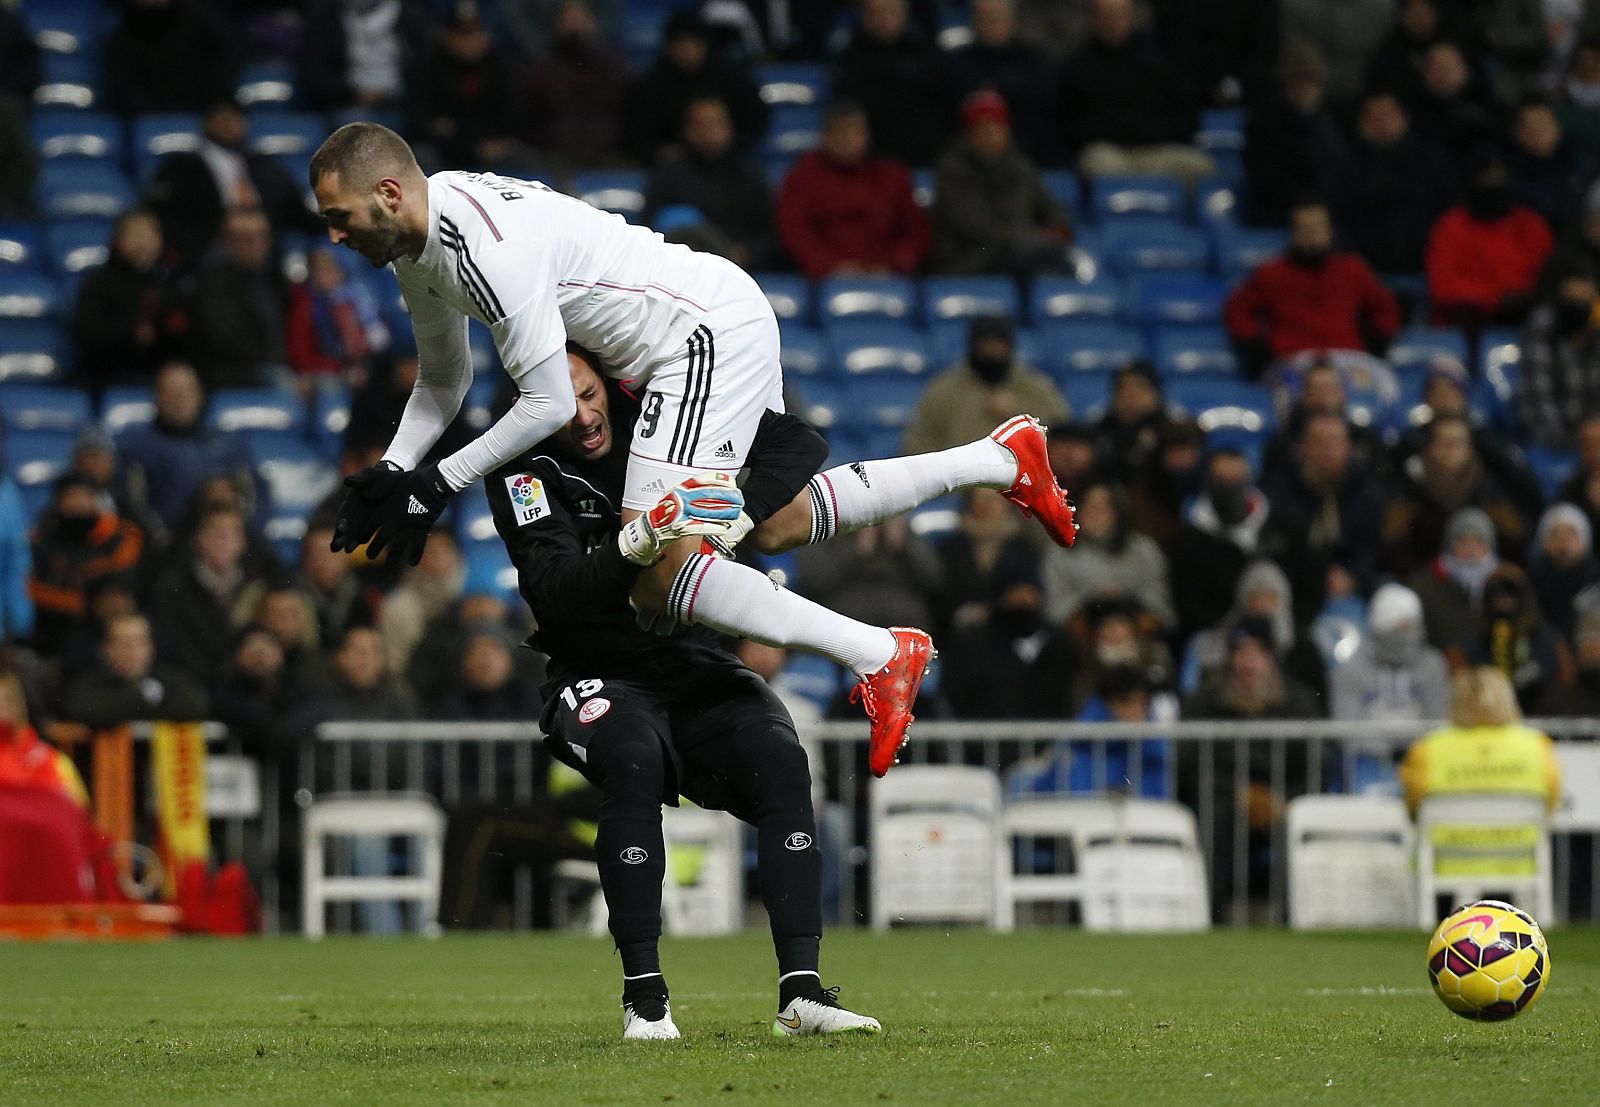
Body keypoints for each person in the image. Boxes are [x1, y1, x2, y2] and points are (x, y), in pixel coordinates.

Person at [308, 125, 1079, 762]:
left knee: (661, 570)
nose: (334, 234)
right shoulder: (421, 245)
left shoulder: (485, 247)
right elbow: (445, 378)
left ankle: (879, 653)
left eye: (339, 215)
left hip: (695, 338)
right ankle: (1002, 458)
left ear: (389, 193)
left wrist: (436, 485)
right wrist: (396, 466)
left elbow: (546, 404)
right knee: (770, 522)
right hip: (702, 325)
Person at [484, 351, 884, 1039]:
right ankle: (645, 1000)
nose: (583, 417)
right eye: (561, 403)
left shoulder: (666, 416)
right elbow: (554, 591)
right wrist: (642, 535)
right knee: (633, 757)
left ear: (609, 382)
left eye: (588, 394)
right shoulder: (521, 465)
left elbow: (801, 441)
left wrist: (742, 514)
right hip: (595, 668)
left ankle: (802, 993)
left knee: (782, 755)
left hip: (691, 657)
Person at [145, 98, 323, 272]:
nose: (229, 124)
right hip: (209, 253)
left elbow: (295, 209)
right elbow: (163, 214)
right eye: (222, 118)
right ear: (207, 122)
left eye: (235, 118)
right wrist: (197, 247)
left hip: (266, 255)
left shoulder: (263, 164)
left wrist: (338, 222)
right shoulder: (183, 165)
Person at [1224, 198, 1400, 373]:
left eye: (1318, 228)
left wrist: (1376, 344)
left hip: (1348, 359)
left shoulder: (1354, 269)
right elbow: (1237, 310)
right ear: (1292, 233)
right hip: (1293, 361)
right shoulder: (1270, 274)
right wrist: (1258, 351)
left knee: (1379, 385)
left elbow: (1385, 308)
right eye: (1304, 229)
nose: (1312, 235)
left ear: (1330, 230)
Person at [1057, 0, 1213, 184]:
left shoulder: (1157, 63)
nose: (1113, 23)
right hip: (1109, 151)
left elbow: (1186, 115)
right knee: (1101, 164)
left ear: (1131, 17)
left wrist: (1154, 132)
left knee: (1199, 166)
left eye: (1119, 15)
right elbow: (1067, 124)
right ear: (1093, 20)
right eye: (1106, 16)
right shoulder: (1076, 68)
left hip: (1157, 149)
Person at [775, 100, 930, 281]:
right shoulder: (803, 175)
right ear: (825, 136)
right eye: (840, 133)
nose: (848, 141)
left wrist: (892, 265)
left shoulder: (892, 174)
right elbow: (794, 231)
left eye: (855, 133)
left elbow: (916, 231)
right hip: (822, 281)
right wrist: (829, 266)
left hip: (889, 277)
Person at [928, 90, 1075, 279]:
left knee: (1056, 260)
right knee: (1037, 258)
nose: (990, 136)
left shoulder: (1021, 166)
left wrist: (1059, 227)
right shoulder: (952, 170)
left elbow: (1049, 207)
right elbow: (979, 229)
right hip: (971, 259)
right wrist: (1037, 238)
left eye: (997, 128)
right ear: (969, 134)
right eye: (982, 129)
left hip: (1023, 249)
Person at [116, 361, 259, 543]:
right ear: (157, 397)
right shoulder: (136, 447)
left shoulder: (229, 444)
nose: (181, 398)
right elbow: (131, 505)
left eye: (187, 390)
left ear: (200, 395)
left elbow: (255, 497)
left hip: (224, 548)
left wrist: (242, 537)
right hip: (162, 549)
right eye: (172, 391)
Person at [1399, 666, 1561, 818]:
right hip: (1520, 843)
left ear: (1455, 700)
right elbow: (1551, 802)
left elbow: (1412, 806)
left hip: (1447, 844)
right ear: (1508, 700)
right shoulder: (1535, 744)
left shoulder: (1427, 748)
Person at [1381, 415, 1529, 578]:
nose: (1450, 449)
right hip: (1422, 577)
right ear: (1429, 446)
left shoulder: (1490, 487)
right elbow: (1395, 545)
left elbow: (1514, 543)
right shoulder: (1409, 485)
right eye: (1443, 442)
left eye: (1457, 442)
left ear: (1469, 449)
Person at [1330, 89, 1456, 277]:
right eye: (1373, 117)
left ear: (1404, 118)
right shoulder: (1346, 167)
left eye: (1388, 115)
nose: (1382, 123)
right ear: (1361, 124)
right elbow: (1338, 219)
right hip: (1365, 273)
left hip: (1427, 268)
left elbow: (1450, 215)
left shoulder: (1431, 161)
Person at [643, 96, 775, 271]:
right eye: (702, 124)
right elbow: (650, 225)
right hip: (681, 270)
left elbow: (768, 232)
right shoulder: (669, 174)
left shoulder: (750, 174)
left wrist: (746, 252)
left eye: (716, 123)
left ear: (730, 127)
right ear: (687, 130)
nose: (710, 131)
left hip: (740, 270)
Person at [1426, 149, 1554, 330]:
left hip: (1525, 318)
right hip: (1465, 320)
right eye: (1483, 179)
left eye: (1497, 178)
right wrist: (1496, 299)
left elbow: (1548, 277)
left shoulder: (1531, 224)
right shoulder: (1451, 225)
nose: (1491, 185)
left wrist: (1523, 299)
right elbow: (1443, 285)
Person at [903, 315, 1069, 454]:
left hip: (1022, 481)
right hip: (961, 482)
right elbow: (918, 442)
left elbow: (1059, 433)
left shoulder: (1034, 386)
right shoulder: (944, 390)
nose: (991, 350)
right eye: (985, 344)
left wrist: (1016, 412)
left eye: (998, 345)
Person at [620, 10, 767, 166]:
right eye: (681, 44)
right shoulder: (649, 85)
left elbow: (756, 119)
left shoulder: (733, 78)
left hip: (730, 161)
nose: (688, 50)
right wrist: (658, 151)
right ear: (669, 47)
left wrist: (731, 146)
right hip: (669, 168)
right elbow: (634, 131)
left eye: (694, 43)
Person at [27, 472, 144, 659]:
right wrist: (84, 604)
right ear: (58, 502)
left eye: (84, 496)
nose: (78, 503)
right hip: (60, 634)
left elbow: (127, 574)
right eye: (70, 496)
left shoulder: (119, 534)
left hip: (112, 625)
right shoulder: (43, 542)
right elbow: (34, 590)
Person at [70, 210, 190, 389]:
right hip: (107, 377)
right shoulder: (99, 282)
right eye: (135, 235)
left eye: (150, 235)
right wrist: (130, 334)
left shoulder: (169, 283)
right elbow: (88, 333)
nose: (143, 243)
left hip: (159, 378)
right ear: (118, 241)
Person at [832, 0, 957, 168]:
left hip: (933, 152)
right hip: (877, 160)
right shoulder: (851, 60)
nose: (884, 18)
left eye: (891, 10)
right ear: (864, 18)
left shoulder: (927, 52)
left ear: (905, 14)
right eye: (876, 13)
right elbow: (862, 105)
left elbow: (946, 94)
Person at [1042, 479, 1175, 630]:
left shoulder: (1144, 550)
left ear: (1118, 513)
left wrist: (1125, 602)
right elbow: (1056, 609)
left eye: (1102, 508)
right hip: (1082, 635)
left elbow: (1160, 606)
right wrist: (1093, 601)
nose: (1094, 515)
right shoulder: (1060, 552)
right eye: (1088, 507)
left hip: (1136, 630)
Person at [1243, 40, 1345, 227]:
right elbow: (1267, 183)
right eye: (1298, 82)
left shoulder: (1332, 120)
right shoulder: (1264, 125)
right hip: (1282, 215)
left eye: (1312, 82)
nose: (1306, 90)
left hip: (1329, 215)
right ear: (1286, 85)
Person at [521, 0, 632, 170]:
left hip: (607, 155)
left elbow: (631, 114)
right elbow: (527, 118)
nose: (575, 24)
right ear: (557, 24)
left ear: (593, 22)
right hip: (553, 158)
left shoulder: (614, 68)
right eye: (569, 18)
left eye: (581, 18)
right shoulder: (540, 69)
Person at [190, 206, 292, 390]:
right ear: (227, 242)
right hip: (236, 372)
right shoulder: (214, 283)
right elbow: (226, 339)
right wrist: (273, 360)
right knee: (282, 382)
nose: (257, 245)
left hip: (278, 366)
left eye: (262, 237)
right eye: (247, 239)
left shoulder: (274, 279)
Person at [948, 0, 1060, 164]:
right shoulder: (957, 62)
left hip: (1028, 145)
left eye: (996, 19)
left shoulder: (1035, 61)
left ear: (1012, 21)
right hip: (971, 150)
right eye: (983, 19)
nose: (990, 25)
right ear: (973, 23)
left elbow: (1044, 107)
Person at [62, 611, 209, 729]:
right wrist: (142, 698)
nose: (132, 651)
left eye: (139, 642)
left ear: (151, 647)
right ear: (106, 649)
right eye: (123, 643)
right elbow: (80, 708)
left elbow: (196, 704)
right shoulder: (88, 681)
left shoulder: (167, 677)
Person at [103, 0, 237, 115]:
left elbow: (226, 59)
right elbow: (125, 91)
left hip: (203, 112)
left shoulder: (201, 23)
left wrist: (219, 103)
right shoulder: (123, 37)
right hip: (148, 118)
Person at [1523, 263, 1600, 450]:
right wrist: (1568, 438)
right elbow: (1539, 393)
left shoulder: (1596, 323)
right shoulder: (1544, 324)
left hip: (1594, 430)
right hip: (1554, 434)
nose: (1579, 300)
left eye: (1585, 294)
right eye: (1572, 294)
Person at [287, 248, 391, 383]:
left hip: (364, 367)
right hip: (326, 373)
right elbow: (302, 356)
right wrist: (341, 370)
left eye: (330, 268)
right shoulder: (306, 305)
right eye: (320, 270)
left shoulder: (356, 298)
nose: (325, 275)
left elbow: (378, 337)